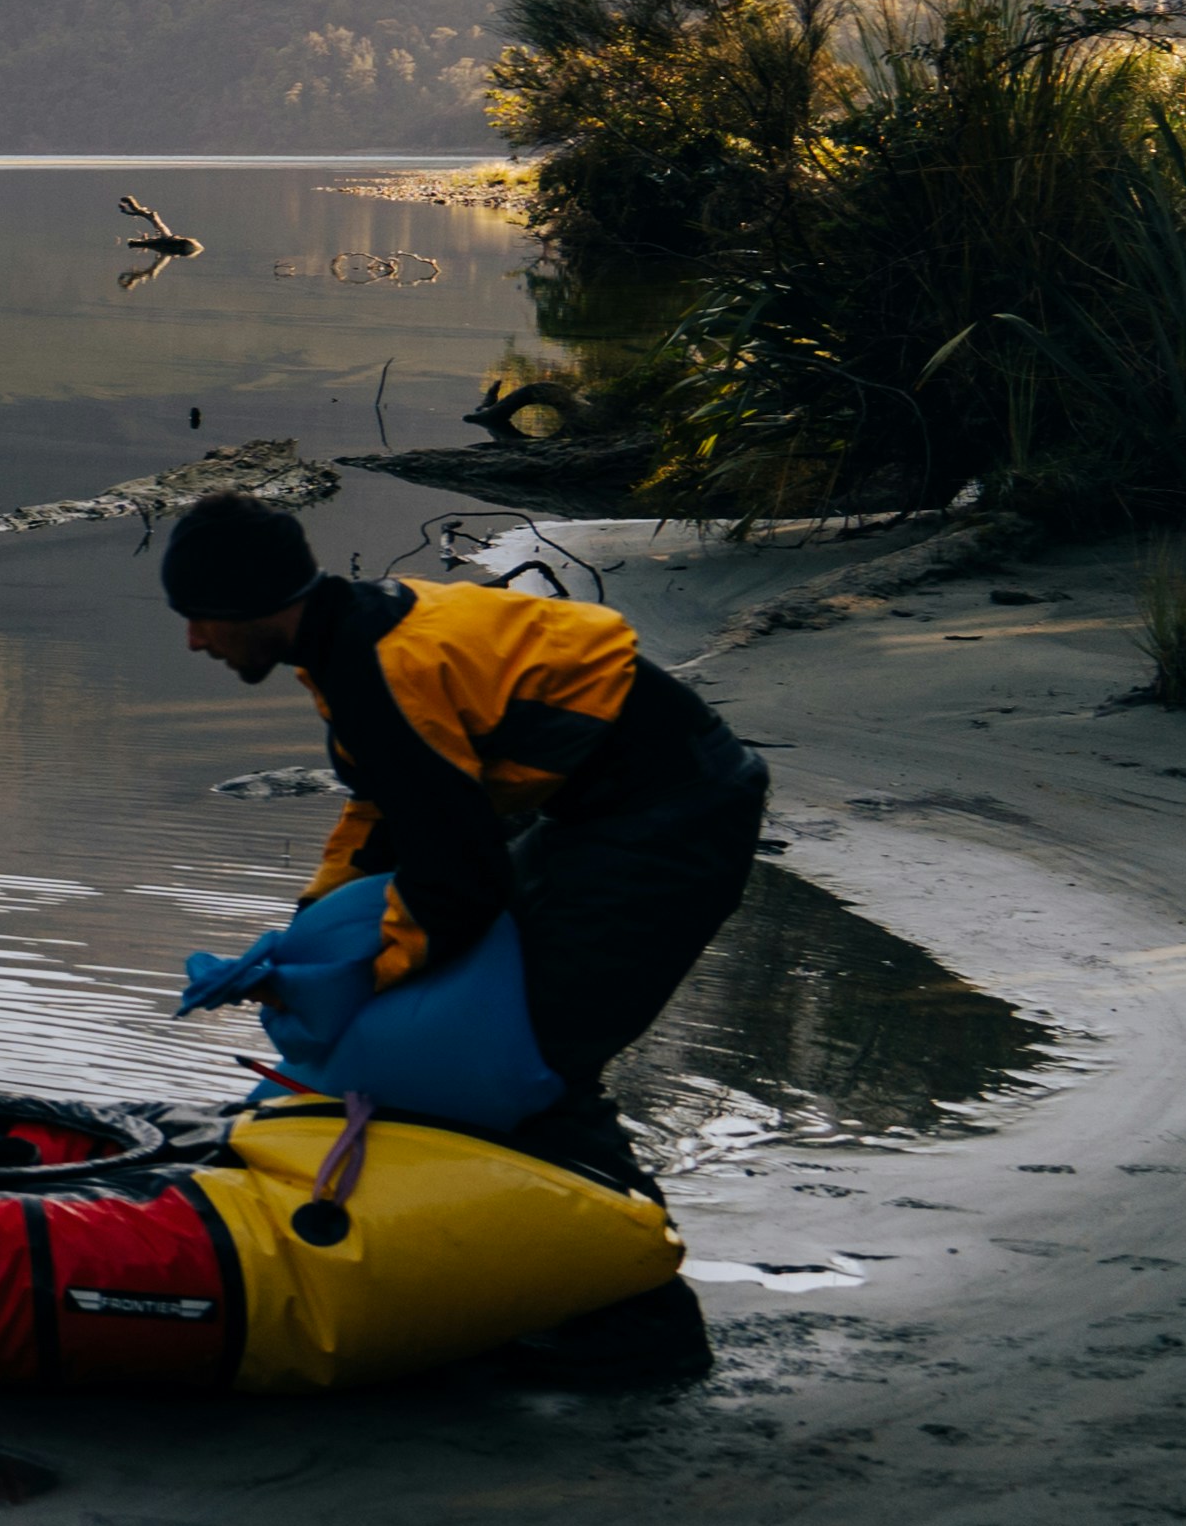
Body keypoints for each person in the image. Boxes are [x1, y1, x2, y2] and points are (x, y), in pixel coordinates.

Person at [160, 487, 765, 1377]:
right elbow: (385, 815)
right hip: (596, 809)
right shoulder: (345, 640)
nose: (194, 640)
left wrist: (362, 977)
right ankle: (530, 1269)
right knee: (502, 1027)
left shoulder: (378, 667)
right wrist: (303, 938)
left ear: (255, 604)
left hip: (674, 814)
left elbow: (458, 881)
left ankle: (644, 1318)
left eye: (201, 618)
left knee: (534, 1053)